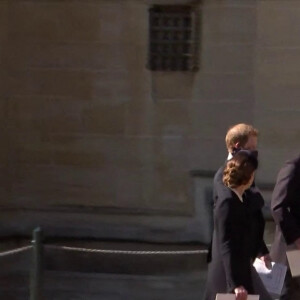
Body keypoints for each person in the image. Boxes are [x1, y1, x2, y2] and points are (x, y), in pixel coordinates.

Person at [205, 151, 272, 300]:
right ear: (248, 176)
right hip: (230, 274)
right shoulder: (227, 203)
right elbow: (226, 244)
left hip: (244, 267)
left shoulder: (243, 198)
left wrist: (261, 252)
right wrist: (235, 284)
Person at [209, 123, 271, 266]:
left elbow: (253, 214)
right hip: (230, 257)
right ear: (238, 146)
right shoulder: (224, 176)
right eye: (251, 148)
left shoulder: (247, 170)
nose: (255, 152)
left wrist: (261, 250)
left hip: (248, 252)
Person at [270, 154, 300, 300]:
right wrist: (297, 238)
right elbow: (278, 207)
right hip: (292, 250)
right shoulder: (293, 167)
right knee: (290, 294)